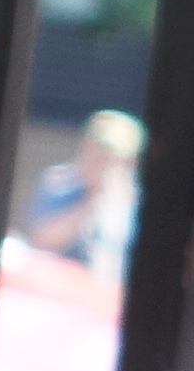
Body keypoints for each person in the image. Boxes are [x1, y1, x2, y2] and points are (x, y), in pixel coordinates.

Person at [23, 110, 141, 276]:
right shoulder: (59, 183)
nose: (100, 163)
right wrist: (92, 203)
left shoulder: (136, 205)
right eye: (96, 153)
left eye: (111, 158)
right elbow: (42, 240)